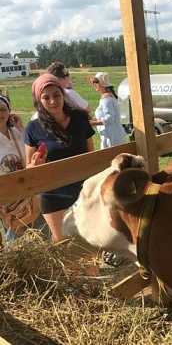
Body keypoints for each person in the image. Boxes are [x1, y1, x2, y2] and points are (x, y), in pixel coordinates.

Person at [25, 74, 95, 242]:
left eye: (56, 95)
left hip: (83, 192)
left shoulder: (80, 119)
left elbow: (92, 155)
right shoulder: (33, 128)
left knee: (90, 248)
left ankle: (94, 271)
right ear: (38, 101)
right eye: (46, 97)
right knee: (67, 250)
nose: (52, 101)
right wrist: (35, 165)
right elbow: (28, 167)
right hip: (53, 196)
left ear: (63, 93)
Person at [0, 94, 48, 243]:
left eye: (2, 109)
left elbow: (31, 152)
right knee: (16, 240)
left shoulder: (18, 133)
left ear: (9, 112)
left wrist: (21, 127)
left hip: (29, 193)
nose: (0, 114)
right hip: (8, 199)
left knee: (42, 235)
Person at [89, 72, 127, 149]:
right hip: (112, 135)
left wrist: (93, 123)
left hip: (112, 136)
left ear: (103, 84)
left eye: (96, 82)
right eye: (93, 82)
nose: (94, 84)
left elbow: (110, 118)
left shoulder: (106, 98)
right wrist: (91, 120)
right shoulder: (109, 96)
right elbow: (105, 116)